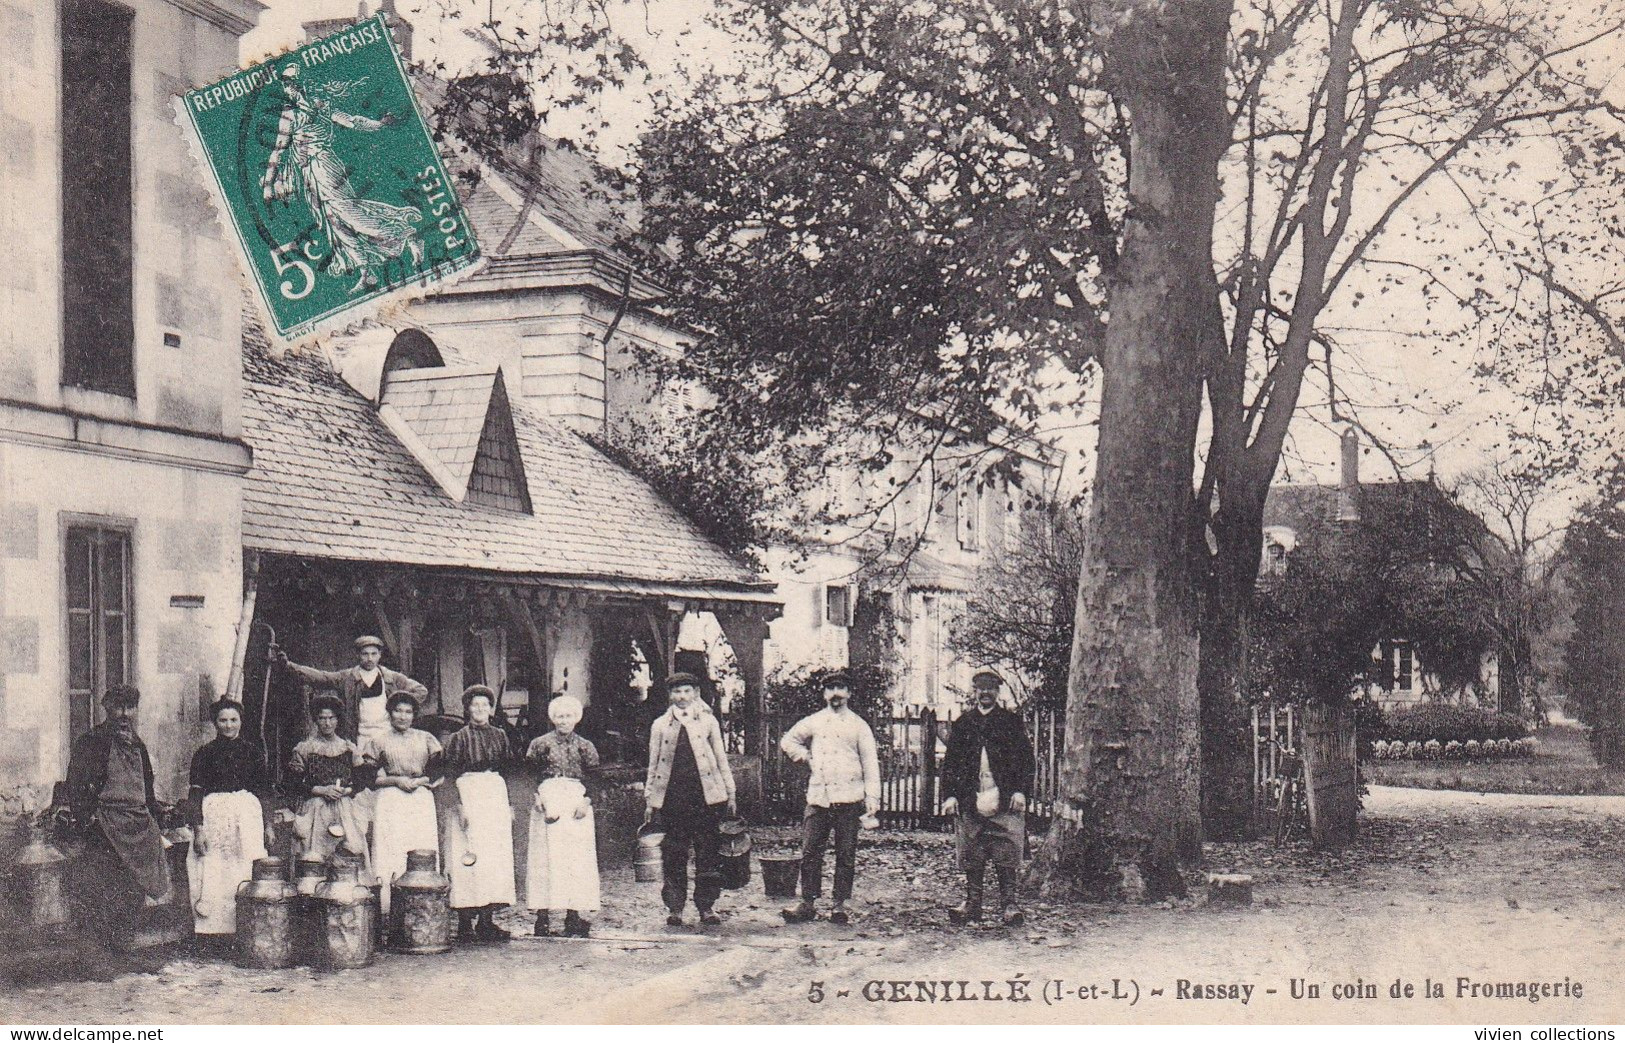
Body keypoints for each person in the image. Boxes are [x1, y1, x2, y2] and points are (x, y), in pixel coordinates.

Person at [259, 64, 425, 294]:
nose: (286, 89)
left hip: (323, 167)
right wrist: (378, 124)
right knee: (333, 221)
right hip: (310, 173)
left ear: (296, 86)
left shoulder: (297, 113)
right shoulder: (312, 107)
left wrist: (268, 185)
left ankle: (406, 233)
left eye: (288, 84)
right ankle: (366, 270)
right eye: (285, 85)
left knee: (349, 214)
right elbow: (352, 121)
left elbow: (278, 151)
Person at [62, 685, 172, 948]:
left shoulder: (138, 745)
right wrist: (87, 818)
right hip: (105, 827)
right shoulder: (90, 742)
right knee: (104, 888)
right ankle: (101, 953)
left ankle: (123, 946)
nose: (124, 713)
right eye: (119, 707)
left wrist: (156, 816)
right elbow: (75, 785)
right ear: (107, 708)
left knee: (133, 889)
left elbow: (147, 786)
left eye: (130, 707)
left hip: (137, 826)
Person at [779, 670, 880, 926]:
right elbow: (788, 740)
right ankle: (808, 903)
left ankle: (839, 905)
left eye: (840, 688)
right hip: (819, 797)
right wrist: (805, 757)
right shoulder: (814, 721)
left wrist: (872, 796)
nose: (835, 693)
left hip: (849, 798)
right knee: (811, 851)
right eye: (830, 688)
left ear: (848, 693)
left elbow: (870, 763)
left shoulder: (859, 725)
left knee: (846, 854)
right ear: (824, 694)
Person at [940, 670, 1034, 927]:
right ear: (974, 692)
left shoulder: (1011, 722)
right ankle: (972, 904)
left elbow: (1026, 761)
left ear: (998, 692)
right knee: (972, 849)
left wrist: (1020, 791)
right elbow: (950, 765)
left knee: (1006, 848)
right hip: (971, 796)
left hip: (1003, 796)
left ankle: (1009, 905)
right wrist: (950, 795)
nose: (985, 693)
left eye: (991, 688)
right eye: (980, 688)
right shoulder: (963, 724)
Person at [644, 672, 736, 927]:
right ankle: (675, 907)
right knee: (674, 853)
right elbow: (653, 764)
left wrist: (730, 792)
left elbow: (721, 758)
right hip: (673, 799)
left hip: (706, 798)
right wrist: (650, 800)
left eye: (687, 691)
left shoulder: (708, 722)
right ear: (670, 695)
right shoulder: (660, 725)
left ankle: (706, 906)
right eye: (677, 692)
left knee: (707, 852)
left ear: (695, 693)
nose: (682, 697)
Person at [186, 699, 275, 942]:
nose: (228, 725)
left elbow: (264, 791)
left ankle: (243, 931)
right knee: (213, 870)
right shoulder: (204, 754)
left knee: (242, 869)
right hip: (214, 818)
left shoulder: (253, 752)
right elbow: (195, 794)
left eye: (233, 720)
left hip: (246, 818)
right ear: (215, 723)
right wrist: (199, 829)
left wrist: (268, 825)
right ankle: (212, 934)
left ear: (240, 721)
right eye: (223, 720)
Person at [439, 685, 516, 943]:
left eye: (485, 705)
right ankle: (464, 923)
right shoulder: (458, 738)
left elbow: (510, 772)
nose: (480, 710)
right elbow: (449, 775)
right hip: (468, 793)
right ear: (467, 709)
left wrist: (511, 805)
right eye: (475, 705)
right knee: (466, 855)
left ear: (491, 709)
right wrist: (459, 805)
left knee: (493, 857)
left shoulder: (501, 736)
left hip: (494, 794)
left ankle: (486, 920)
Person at [525, 695, 601, 938]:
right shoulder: (540, 744)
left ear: (576, 718)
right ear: (553, 718)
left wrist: (586, 801)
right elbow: (529, 775)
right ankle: (542, 917)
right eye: (559, 716)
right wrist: (537, 798)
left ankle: (573, 915)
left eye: (568, 716)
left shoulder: (585, 746)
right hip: (548, 798)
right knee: (545, 857)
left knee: (575, 859)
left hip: (576, 802)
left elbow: (595, 779)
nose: (563, 721)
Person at [364, 691, 443, 916]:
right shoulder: (379, 741)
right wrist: (396, 780)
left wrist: (420, 780)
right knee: (392, 849)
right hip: (390, 800)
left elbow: (438, 773)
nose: (403, 716)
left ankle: (423, 901)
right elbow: (369, 779)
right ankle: (389, 906)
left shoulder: (426, 739)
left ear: (414, 715)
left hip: (419, 800)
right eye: (398, 711)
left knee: (420, 848)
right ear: (389, 713)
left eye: (408, 712)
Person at [277, 635, 427, 749]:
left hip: (387, 735)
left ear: (380, 655)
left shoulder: (391, 678)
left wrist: (399, 706)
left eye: (374, 654)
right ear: (358, 655)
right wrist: (290, 666)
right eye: (365, 654)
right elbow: (321, 677)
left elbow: (421, 691)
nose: (370, 658)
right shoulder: (347, 677)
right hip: (359, 737)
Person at [284, 694, 368, 870]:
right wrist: (321, 790)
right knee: (315, 858)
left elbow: (361, 780)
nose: (327, 723)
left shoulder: (348, 748)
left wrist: (345, 791)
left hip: (344, 808)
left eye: (331, 718)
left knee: (349, 851)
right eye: (322, 718)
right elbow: (293, 782)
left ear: (338, 719)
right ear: (316, 720)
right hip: (316, 808)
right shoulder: (305, 748)